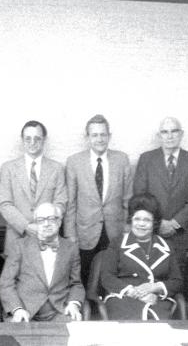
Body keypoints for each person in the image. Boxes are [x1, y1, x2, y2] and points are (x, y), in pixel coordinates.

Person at [65, 114, 133, 286]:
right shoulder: (74, 162)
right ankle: (89, 310)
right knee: (86, 278)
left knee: (112, 277)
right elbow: (70, 203)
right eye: (94, 135)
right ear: (87, 137)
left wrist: (127, 230)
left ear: (109, 136)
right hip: (85, 232)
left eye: (103, 134)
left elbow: (128, 199)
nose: (99, 139)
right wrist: (70, 235)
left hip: (114, 232)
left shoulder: (122, 159)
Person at [133, 117, 188, 279]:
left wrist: (175, 223)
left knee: (176, 276)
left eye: (174, 131)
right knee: (149, 274)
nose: (169, 136)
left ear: (181, 134)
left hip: (180, 232)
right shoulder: (146, 159)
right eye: (165, 132)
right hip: (151, 230)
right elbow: (140, 195)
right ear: (159, 136)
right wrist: (159, 222)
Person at [100, 193, 183, 320]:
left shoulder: (166, 246)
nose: (141, 224)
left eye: (147, 220)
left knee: (159, 328)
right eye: (137, 219)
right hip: (123, 299)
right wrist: (134, 292)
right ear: (131, 220)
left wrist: (155, 288)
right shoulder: (118, 243)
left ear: (154, 223)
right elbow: (107, 277)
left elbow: (177, 281)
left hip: (157, 299)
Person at [0, 203, 84, 322]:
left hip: (58, 312)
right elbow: (6, 283)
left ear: (59, 222)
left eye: (51, 219)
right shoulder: (19, 246)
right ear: (36, 223)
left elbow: (76, 283)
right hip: (25, 312)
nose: (46, 224)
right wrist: (17, 309)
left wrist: (73, 304)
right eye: (41, 220)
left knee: (74, 332)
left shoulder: (71, 248)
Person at [0, 120, 67, 257]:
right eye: (27, 138)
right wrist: (26, 226)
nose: (32, 143)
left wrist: (45, 226)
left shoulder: (56, 168)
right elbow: (5, 204)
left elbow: (61, 202)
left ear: (44, 140)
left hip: (47, 237)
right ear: (22, 140)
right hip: (17, 237)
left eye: (37, 138)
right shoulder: (8, 168)